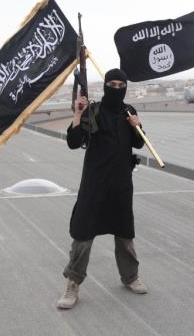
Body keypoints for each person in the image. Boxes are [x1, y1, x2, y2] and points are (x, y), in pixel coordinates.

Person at [57, 68, 147, 309]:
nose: (116, 89)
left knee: (125, 235)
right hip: (94, 185)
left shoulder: (130, 111)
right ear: (105, 85)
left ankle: (130, 277)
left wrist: (137, 125)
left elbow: (139, 142)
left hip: (120, 184)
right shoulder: (93, 111)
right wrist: (78, 114)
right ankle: (73, 284)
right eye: (112, 84)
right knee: (83, 236)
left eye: (121, 85)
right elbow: (73, 142)